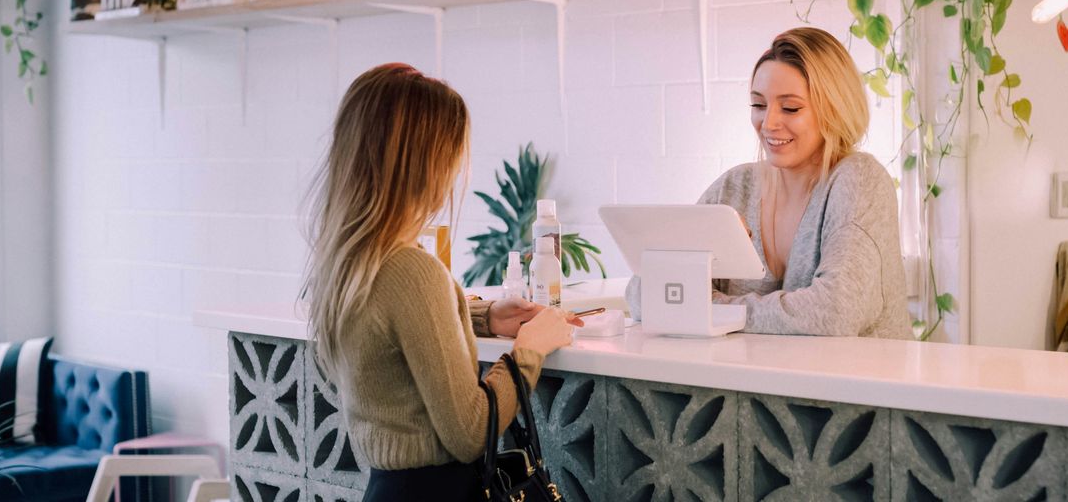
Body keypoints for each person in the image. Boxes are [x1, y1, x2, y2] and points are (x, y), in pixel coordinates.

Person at [302, 63, 581, 501]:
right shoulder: (412, 271)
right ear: (425, 164)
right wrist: (529, 350)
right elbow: (470, 432)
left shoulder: (347, 262)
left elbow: (393, 327)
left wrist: (481, 317)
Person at [628, 27, 912, 339]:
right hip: (759, 383)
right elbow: (643, 298)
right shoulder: (736, 187)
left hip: (854, 384)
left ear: (835, 108)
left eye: (790, 107)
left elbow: (835, 312)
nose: (769, 123)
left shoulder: (858, 180)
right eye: (759, 105)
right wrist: (699, 249)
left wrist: (714, 311)